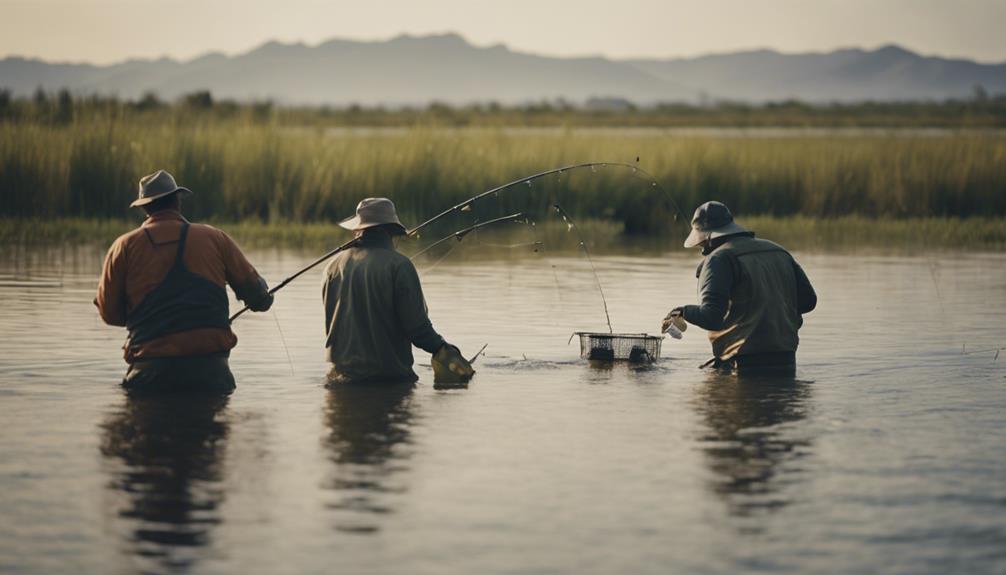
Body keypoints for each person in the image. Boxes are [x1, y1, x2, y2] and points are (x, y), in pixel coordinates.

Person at [94, 170, 273, 394]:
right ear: (177, 200)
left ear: (144, 207)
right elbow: (260, 301)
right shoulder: (215, 238)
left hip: (150, 376)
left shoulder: (124, 247)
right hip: (212, 375)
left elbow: (110, 316)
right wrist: (263, 292)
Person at [322, 197, 473, 386]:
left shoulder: (332, 267)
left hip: (337, 380)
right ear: (391, 230)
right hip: (387, 380)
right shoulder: (399, 266)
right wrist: (444, 350)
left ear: (357, 229)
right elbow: (417, 329)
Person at [662, 201, 816, 375]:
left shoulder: (718, 259)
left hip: (744, 367)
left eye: (702, 244)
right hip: (786, 361)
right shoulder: (779, 251)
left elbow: (711, 317)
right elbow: (809, 302)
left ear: (709, 238)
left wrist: (682, 312)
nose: (702, 250)